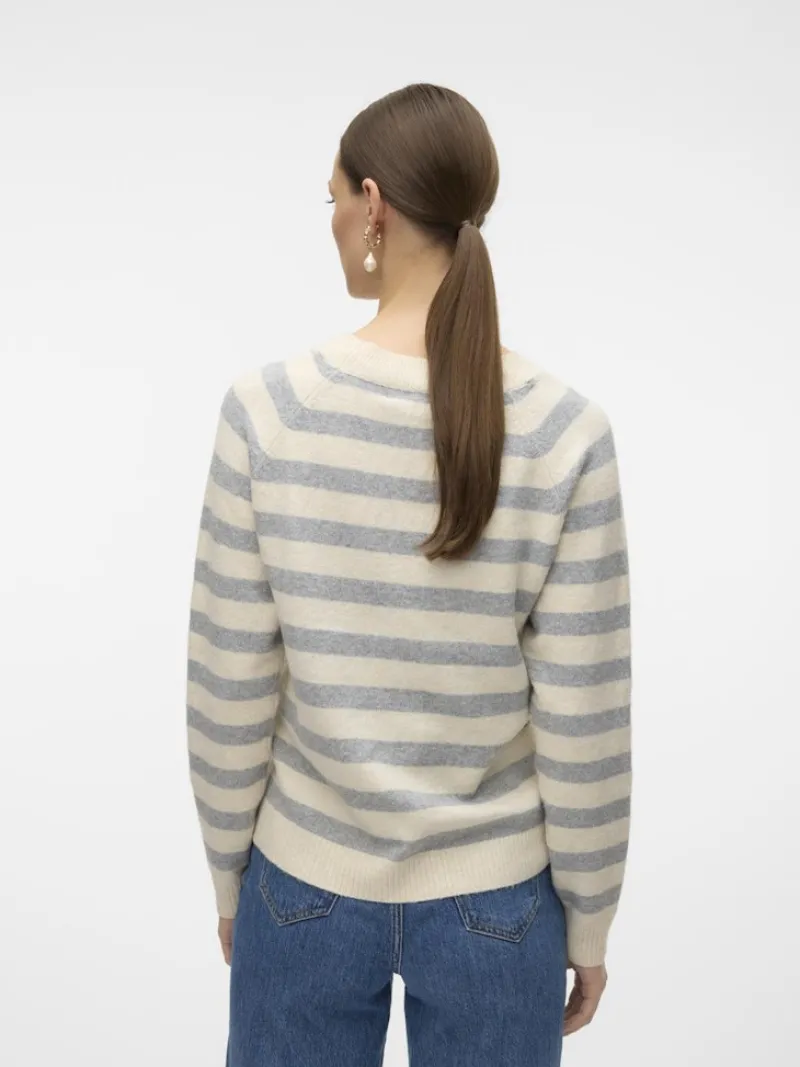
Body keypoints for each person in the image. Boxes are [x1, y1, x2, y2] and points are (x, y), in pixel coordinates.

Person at [185, 82, 632, 1067]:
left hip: (298, 885)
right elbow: (585, 713)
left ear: (373, 205)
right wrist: (589, 917)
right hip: (499, 905)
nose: (332, 221)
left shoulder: (269, 410)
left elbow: (229, 680)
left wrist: (228, 876)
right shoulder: (564, 430)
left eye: (332, 197)